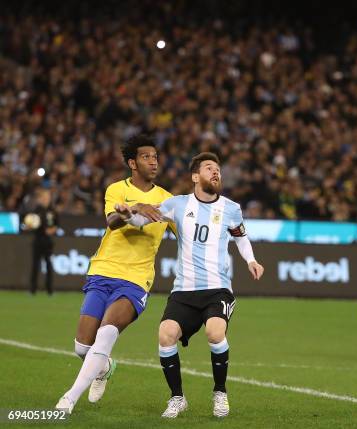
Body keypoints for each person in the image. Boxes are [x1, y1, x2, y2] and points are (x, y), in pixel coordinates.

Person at [115, 152, 264, 419]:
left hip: (217, 288)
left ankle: (220, 392)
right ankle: (177, 398)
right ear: (196, 176)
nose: (215, 172)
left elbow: (241, 237)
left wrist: (251, 260)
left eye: (217, 169)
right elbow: (143, 220)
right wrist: (128, 214)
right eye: (209, 168)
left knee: (215, 333)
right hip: (184, 290)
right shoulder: (177, 204)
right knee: (165, 334)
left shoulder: (231, 208)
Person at [55, 134, 174, 413]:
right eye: (146, 157)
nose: (153, 161)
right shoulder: (116, 189)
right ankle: (104, 367)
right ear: (132, 163)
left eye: (155, 157)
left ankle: (69, 399)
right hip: (103, 270)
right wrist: (132, 209)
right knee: (82, 349)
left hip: (136, 279)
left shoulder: (168, 201)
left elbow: (189, 233)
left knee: (107, 333)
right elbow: (112, 222)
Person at [24, 188, 59, 295]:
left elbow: (56, 225)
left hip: (48, 242)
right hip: (38, 240)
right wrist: (28, 226)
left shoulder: (53, 211)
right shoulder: (36, 210)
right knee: (35, 265)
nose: (46, 200)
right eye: (44, 198)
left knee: (48, 265)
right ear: (40, 199)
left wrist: (52, 230)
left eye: (47, 198)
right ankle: (32, 290)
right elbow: (29, 222)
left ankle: (50, 290)